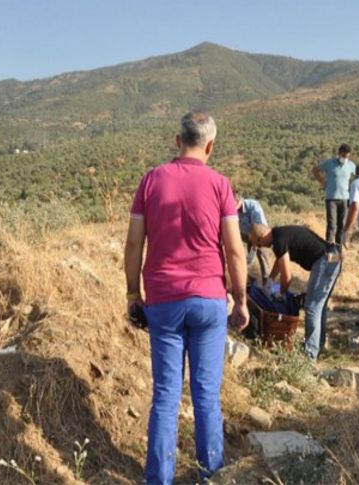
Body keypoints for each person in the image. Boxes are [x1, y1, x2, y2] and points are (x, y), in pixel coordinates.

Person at [124, 112, 249, 484]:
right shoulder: (220, 184)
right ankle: (210, 476)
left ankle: (158, 479)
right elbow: (235, 251)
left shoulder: (151, 181)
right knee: (206, 395)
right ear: (210, 146)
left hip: (163, 300)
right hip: (209, 300)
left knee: (165, 394)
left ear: (177, 141)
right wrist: (240, 300)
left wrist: (133, 293)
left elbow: (133, 244)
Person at [249, 223, 341, 361]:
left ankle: (309, 355)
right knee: (319, 308)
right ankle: (318, 345)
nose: (258, 247)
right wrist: (271, 279)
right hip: (334, 257)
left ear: (262, 237)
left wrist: (281, 293)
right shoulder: (279, 234)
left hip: (325, 260)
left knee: (312, 308)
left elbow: (287, 278)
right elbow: (280, 262)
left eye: (257, 243)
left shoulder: (278, 239)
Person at [312, 144, 356, 245]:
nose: (345, 158)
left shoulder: (351, 165)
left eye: (347, 156)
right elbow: (315, 170)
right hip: (331, 198)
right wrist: (322, 181)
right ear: (339, 154)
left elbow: (358, 176)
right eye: (343, 156)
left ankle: (339, 248)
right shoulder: (329, 163)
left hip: (345, 198)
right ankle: (329, 248)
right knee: (332, 225)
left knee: (342, 225)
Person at [237, 197, 269, 284]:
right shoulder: (234, 211)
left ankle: (267, 285)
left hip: (260, 236)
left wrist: (254, 247)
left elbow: (258, 230)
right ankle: (248, 282)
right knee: (247, 261)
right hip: (247, 235)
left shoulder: (252, 206)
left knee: (262, 258)